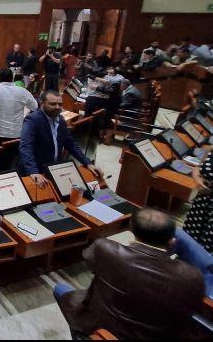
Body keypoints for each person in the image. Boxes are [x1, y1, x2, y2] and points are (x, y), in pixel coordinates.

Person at [54, 208, 204, 339]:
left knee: (60, 289)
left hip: (104, 331)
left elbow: (90, 262)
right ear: (172, 242)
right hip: (161, 334)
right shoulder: (193, 276)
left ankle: (81, 335)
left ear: (132, 231)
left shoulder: (106, 249)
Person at [19, 90, 104, 187]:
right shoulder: (32, 120)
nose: (57, 107)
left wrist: (87, 163)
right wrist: (33, 171)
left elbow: (70, 144)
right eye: (53, 104)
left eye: (60, 104)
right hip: (37, 170)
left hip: (54, 168)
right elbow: (26, 146)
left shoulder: (61, 120)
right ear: (42, 103)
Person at [184, 152, 213, 255]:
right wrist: (197, 179)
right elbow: (198, 168)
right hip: (201, 203)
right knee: (189, 239)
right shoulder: (211, 148)